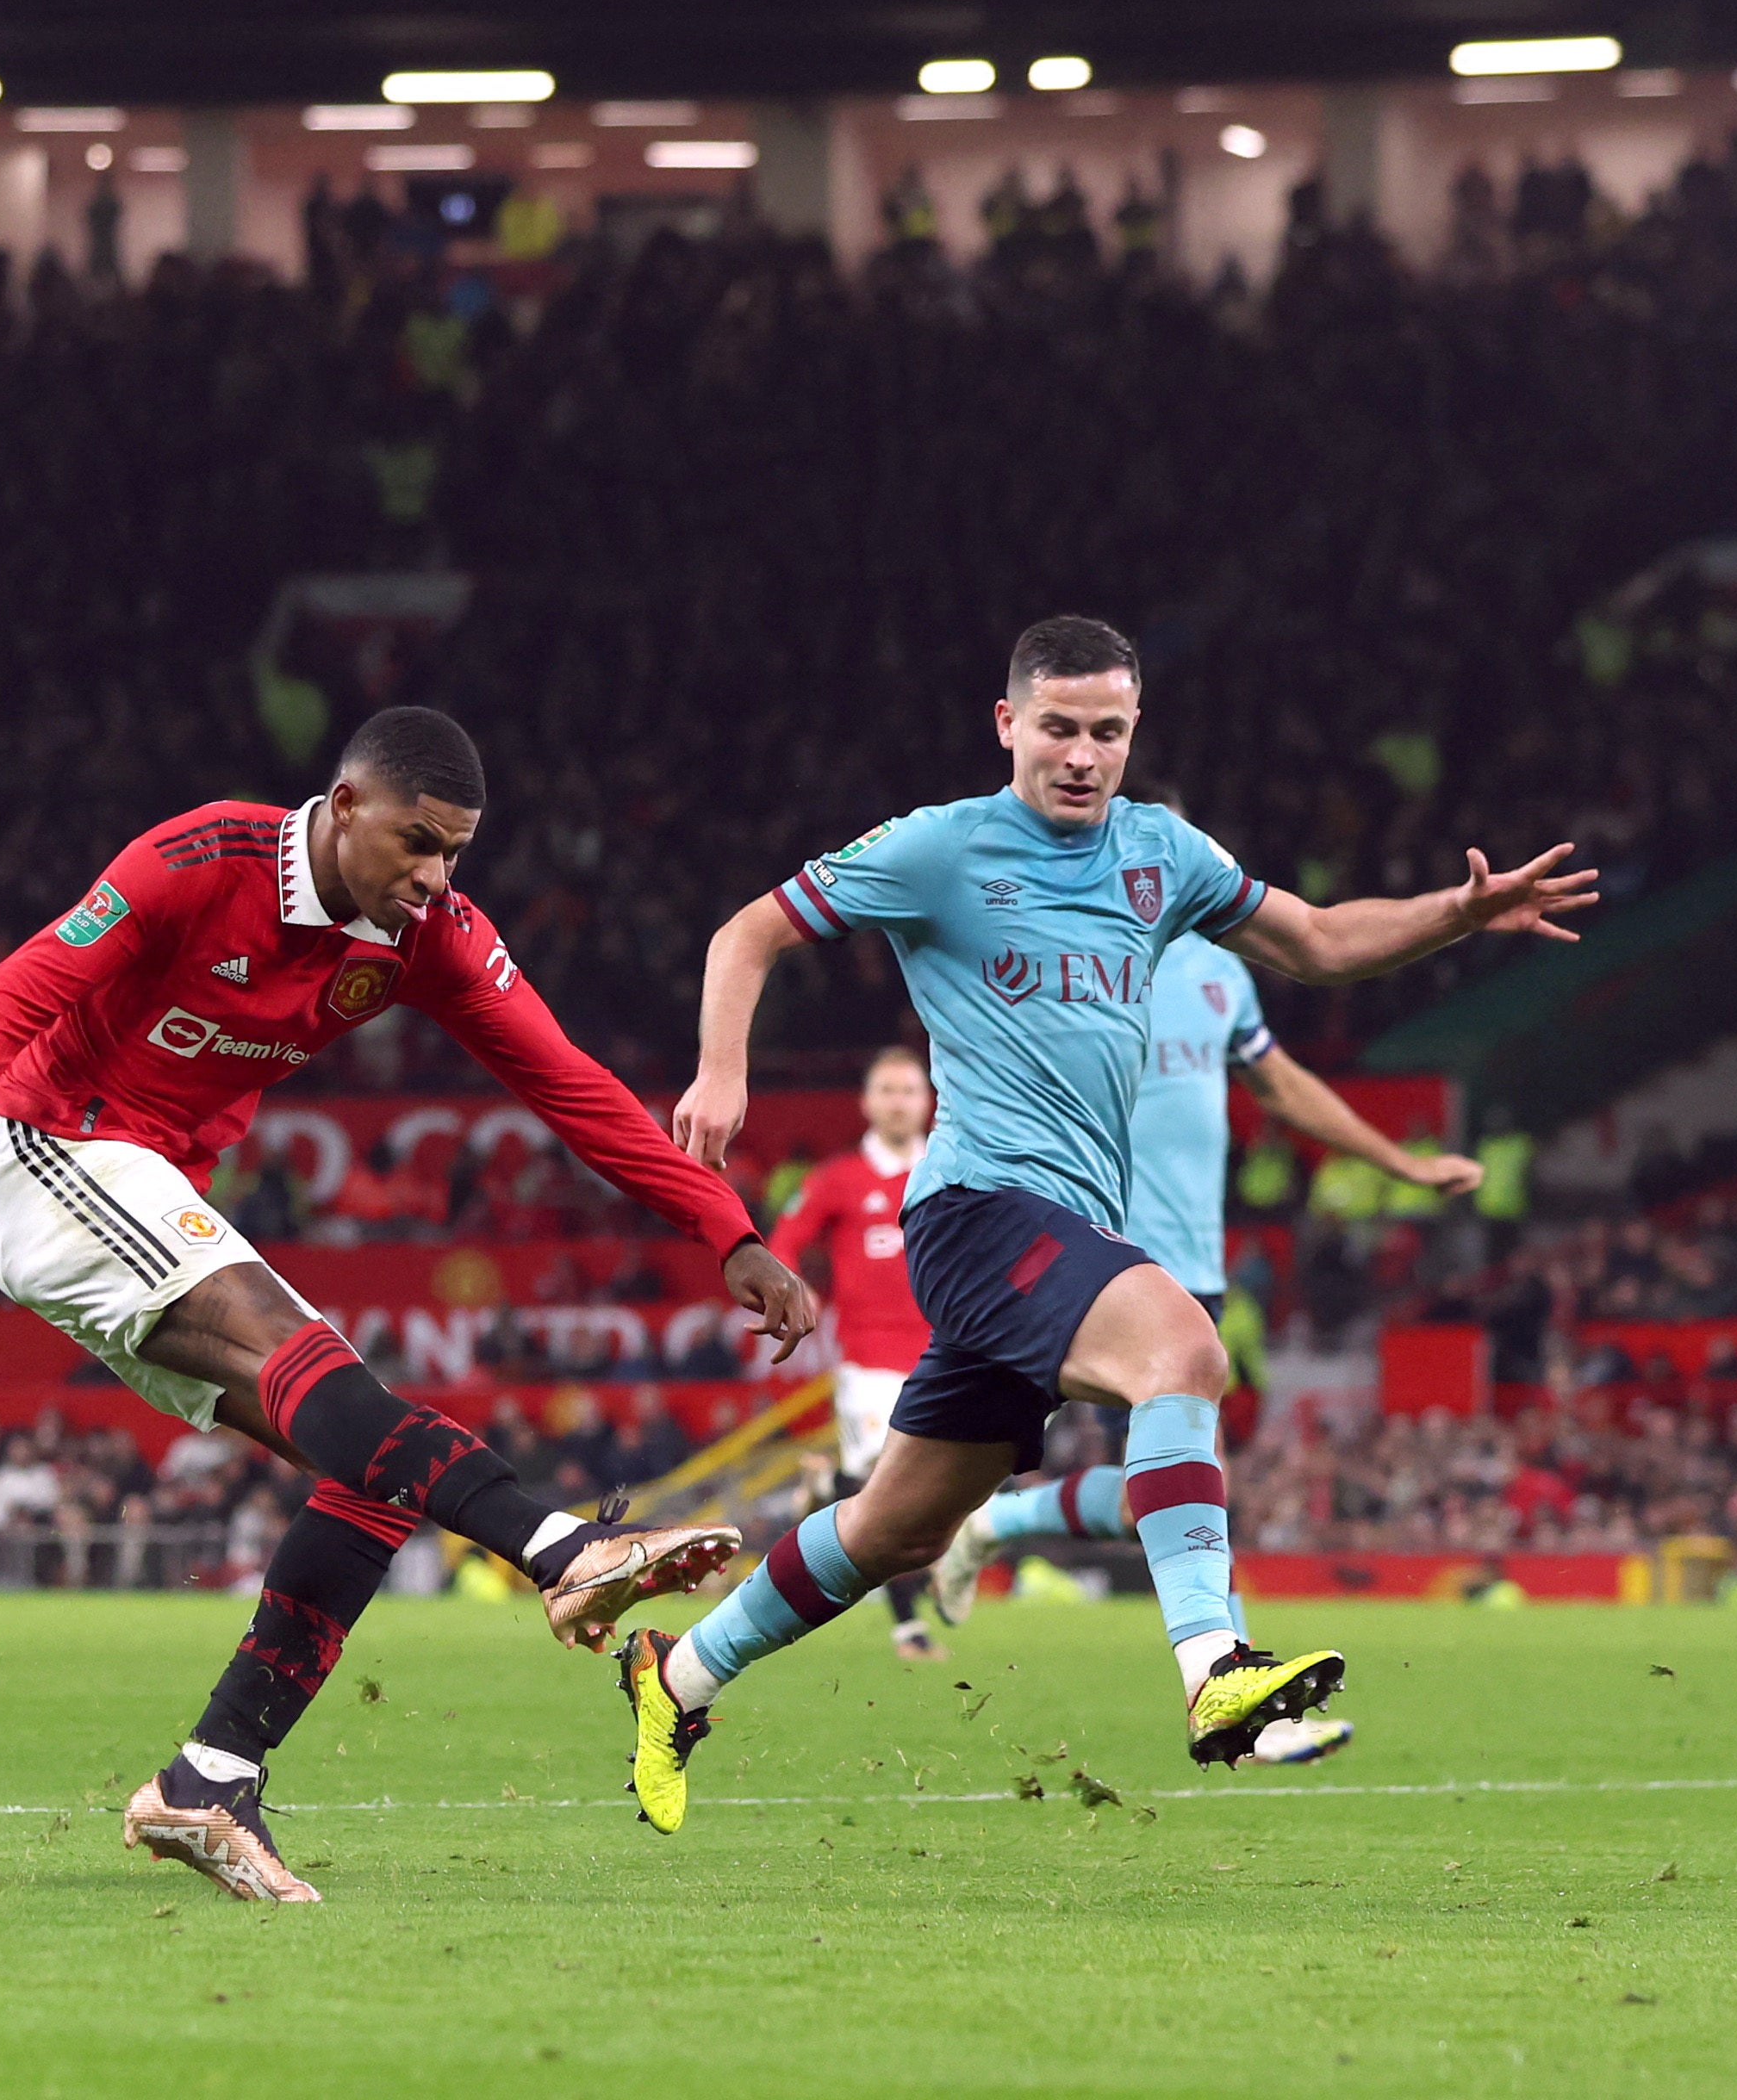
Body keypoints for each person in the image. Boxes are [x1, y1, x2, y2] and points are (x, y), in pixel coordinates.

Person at [626, 615, 1597, 1834]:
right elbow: (747, 932)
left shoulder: (1160, 854)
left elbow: (1315, 939)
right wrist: (723, 1074)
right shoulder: (938, 850)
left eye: (1107, 732)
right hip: (978, 1209)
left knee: (894, 1527)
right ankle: (1215, 1671)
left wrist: (1454, 916)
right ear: (1006, 725)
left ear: (1133, 733)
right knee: (1182, 1349)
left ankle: (674, 1679)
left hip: (1061, 1224)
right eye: (1058, 729)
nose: (1082, 756)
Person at [0, 706, 819, 1903]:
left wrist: (726, 1230)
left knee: (374, 1462)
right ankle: (565, 1549)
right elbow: (28, 983)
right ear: (345, 805)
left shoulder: (433, 936)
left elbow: (571, 1086)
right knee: (335, 1384)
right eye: (416, 842)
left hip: (147, 1183)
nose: (434, 876)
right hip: (52, 1148)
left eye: (455, 851)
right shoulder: (199, 860)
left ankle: (209, 1779)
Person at [932, 835, 1486, 1641]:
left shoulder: (1221, 972)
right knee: (1199, 1481)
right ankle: (1234, 1681)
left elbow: (1283, 1083)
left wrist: (1400, 1161)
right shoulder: (1073, 960)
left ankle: (999, 1526)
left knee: (1147, 1499)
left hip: (1196, 1263)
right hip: (1099, 1252)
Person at [766, 1045, 948, 1661]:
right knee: (885, 1486)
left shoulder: (953, 1171)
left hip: (949, 1357)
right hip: (869, 1362)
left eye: (909, 1091)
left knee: (939, 1490)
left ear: (929, 1102)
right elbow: (783, 1243)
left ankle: (826, 1488)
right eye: (888, 1090)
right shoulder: (839, 1179)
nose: (899, 1102)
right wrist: (796, 1295)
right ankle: (908, 1627)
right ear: (867, 1102)